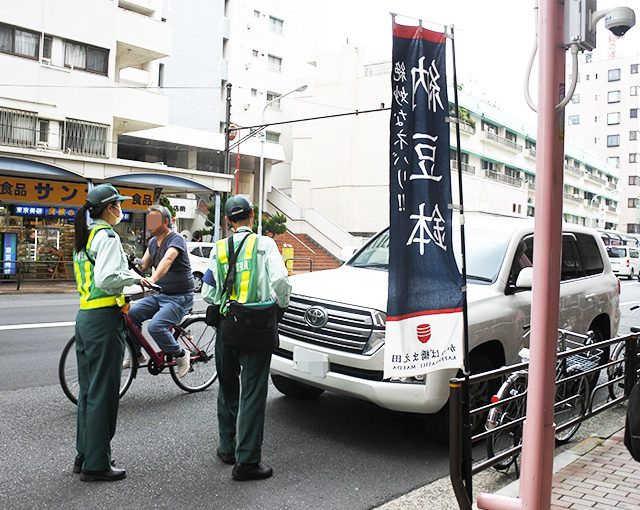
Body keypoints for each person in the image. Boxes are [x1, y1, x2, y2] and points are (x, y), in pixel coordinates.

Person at [202, 195, 291, 481]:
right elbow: (279, 280)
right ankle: (247, 461)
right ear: (252, 216)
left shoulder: (219, 249)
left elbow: (207, 292)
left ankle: (227, 448)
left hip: (228, 325)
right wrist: (281, 304)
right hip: (257, 327)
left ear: (228, 220)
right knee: (253, 391)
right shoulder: (265, 244)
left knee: (228, 386)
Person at [72, 183, 149, 482]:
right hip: (104, 319)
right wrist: (136, 282)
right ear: (108, 208)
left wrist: (134, 281)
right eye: (118, 204)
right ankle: (97, 464)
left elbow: (98, 277)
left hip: (85, 317)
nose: (122, 209)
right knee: (104, 393)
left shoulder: (85, 237)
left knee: (89, 392)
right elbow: (107, 278)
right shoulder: (106, 236)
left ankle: (85, 454)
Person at [126, 205, 195, 377]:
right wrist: (127, 262)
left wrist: (153, 279)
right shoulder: (152, 242)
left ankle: (181, 354)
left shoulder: (176, 239)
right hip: (161, 294)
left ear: (166, 222)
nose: (150, 223)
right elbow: (144, 263)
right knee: (132, 314)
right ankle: (137, 354)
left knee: (156, 327)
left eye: (154, 220)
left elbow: (168, 259)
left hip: (180, 297)